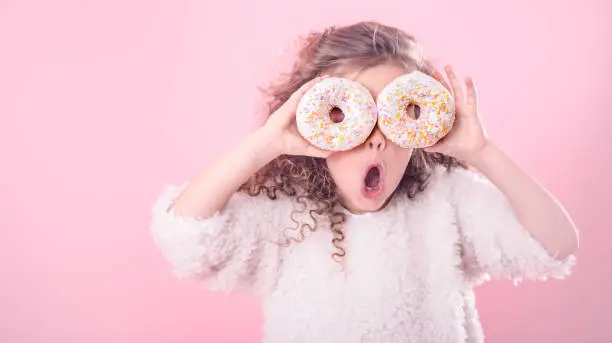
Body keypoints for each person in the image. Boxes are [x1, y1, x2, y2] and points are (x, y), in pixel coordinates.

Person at [149, 21, 579, 343]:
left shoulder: (447, 204)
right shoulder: (287, 218)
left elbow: (554, 245)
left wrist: (481, 152)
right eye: (348, 115)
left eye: (395, 116)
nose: (375, 136)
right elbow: (186, 236)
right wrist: (264, 146)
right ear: (314, 124)